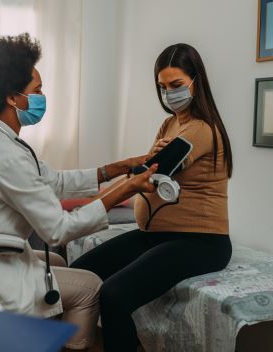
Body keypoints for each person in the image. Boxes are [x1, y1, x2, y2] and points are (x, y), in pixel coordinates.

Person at [0, 33, 158, 350]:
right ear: (12, 97)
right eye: (36, 91)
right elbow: (58, 230)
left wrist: (117, 169)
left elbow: (55, 180)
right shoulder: (6, 155)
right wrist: (125, 189)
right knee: (90, 286)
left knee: (59, 266)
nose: (41, 97)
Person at [70, 43, 234, 351]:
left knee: (114, 294)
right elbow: (146, 168)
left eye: (176, 85)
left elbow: (151, 173)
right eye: (162, 87)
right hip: (156, 236)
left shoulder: (201, 129)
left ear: (196, 82)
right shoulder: (171, 122)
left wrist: (145, 166)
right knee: (79, 275)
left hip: (200, 242)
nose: (169, 93)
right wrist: (144, 164)